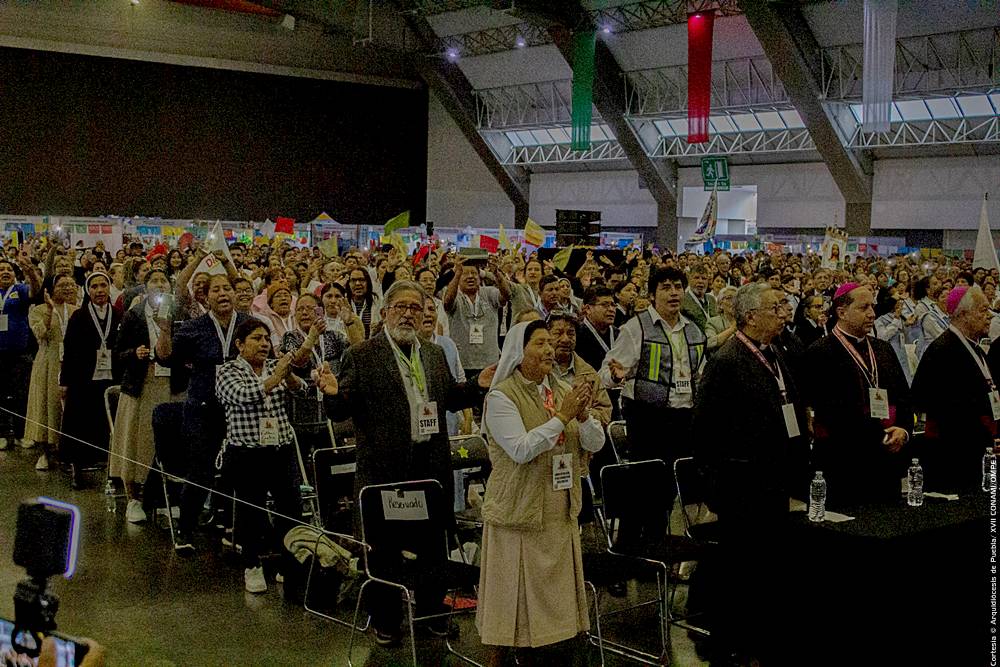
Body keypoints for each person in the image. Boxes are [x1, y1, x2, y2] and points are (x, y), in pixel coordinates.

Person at [318, 280, 494, 645]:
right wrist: (332, 394)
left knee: (433, 549)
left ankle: (431, 612)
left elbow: (448, 398)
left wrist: (477, 385)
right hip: (384, 471)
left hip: (429, 466)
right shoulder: (362, 355)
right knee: (384, 552)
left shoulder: (433, 353)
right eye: (401, 306)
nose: (409, 314)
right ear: (384, 313)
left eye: (416, 307)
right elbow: (342, 408)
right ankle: (385, 620)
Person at [477, 321, 605, 665]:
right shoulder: (501, 396)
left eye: (550, 343)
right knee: (511, 598)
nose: (550, 349)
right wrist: (562, 417)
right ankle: (505, 654)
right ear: (519, 352)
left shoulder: (562, 389)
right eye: (540, 343)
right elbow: (520, 449)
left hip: (559, 506)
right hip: (519, 509)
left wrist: (584, 416)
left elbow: (594, 443)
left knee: (554, 597)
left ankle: (550, 651)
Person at [693, 283, 808, 664]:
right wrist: (718, 484)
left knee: (769, 564)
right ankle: (734, 642)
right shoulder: (727, 361)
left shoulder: (776, 352)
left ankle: (764, 636)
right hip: (741, 483)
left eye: (783, 306)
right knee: (742, 567)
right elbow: (706, 430)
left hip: (774, 478)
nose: (783, 313)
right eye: (775, 308)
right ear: (750, 317)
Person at [154, 274, 253, 553]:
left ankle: (231, 525)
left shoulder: (248, 324)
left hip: (239, 409)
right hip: (202, 409)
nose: (222, 294)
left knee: (240, 469)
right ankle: (185, 530)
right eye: (216, 290)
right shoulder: (194, 327)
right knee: (200, 471)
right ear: (206, 297)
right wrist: (164, 331)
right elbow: (165, 357)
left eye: (227, 288)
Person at [217, 319, 308, 594]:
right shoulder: (227, 371)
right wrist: (276, 377)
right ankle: (252, 564)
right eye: (256, 338)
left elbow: (302, 391)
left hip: (281, 448)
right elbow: (243, 395)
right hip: (246, 453)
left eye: (267, 339)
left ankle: (288, 565)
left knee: (291, 509)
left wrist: (288, 376)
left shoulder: (274, 366)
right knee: (251, 511)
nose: (264, 344)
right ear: (240, 344)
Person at [804, 283, 913, 508]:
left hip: (887, 460)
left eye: (872, 306)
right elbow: (831, 413)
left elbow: (903, 397)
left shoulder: (883, 349)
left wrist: (902, 430)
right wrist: (878, 436)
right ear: (842, 312)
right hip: (845, 463)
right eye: (864, 308)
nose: (872, 313)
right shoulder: (820, 353)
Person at [110, 269, 180, 523]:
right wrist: (133, 353)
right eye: (154, 281)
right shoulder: (134, 314)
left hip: (171, 385)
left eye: (164, 281)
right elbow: (117, 353)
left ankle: (164, 497)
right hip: (142, 384)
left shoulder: (178, 314)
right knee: (136, 442)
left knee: (169, 444)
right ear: (145, 286)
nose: (159, 285)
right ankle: (133, 499)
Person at [914, 286, 996, 492]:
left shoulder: (975, 348)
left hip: (979, 452)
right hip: (953, 457)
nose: (990, 316)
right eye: (983, 310)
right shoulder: (942, 351)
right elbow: (941, 408)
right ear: (963, 314)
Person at [59, 272, 123, 488]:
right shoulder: (79, 316)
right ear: (88, 290)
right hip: (83, 378)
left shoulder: (119, 314)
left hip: (111, 375)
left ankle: (112, 469)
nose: (99, 290)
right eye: (94, 286)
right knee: (79, 423)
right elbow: (69, 350)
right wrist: (65, 381)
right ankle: (77, 467)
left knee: (108, 423)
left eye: (103, 285)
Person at [25, 274, 78, 469]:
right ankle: (45, 452)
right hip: (48, 362)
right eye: (62, 285)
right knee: (46, 405)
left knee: (67, 408)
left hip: (70, 363)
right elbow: (40, 334)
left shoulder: (75, 310)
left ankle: (67, 451)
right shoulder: (38, 310)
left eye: (70, 284)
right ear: (51, 288)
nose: (67, 288)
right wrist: (49, 309)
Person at [0, 251, 41, 449]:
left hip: (20, 351)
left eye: (9, 269)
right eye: (1, 269)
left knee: (22, 393)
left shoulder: (20, 289)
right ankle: (2, 432)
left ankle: (21, 432)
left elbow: (36, 292)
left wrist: (30, 272)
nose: (5, 272)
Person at [444, 256, 510, 378]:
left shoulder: (489, 293)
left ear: (480, 277)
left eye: (474, 273)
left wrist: (496, 273)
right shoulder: (455, 295)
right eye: (465, 273)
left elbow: (507, 295)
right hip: (462, 364)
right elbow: (447, 303)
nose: (470, 276)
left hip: (489, 363)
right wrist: (456, 274)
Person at [547, 313, 612, 425]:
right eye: (558, 333)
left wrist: (583, 413)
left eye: (571, 334)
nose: (565, 339)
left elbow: (605, 413)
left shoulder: (589, 374)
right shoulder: (539, 370)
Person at [574, 286, 618, 373]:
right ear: (588, 309)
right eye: (605, 305)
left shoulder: (619, 334)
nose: (611, 309)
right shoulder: (576, 334)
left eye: (613, 305)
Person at [680, 264, 718, 333]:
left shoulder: (711, 299)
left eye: (704, 278)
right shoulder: (682, 301)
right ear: (689, 279)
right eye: (696, 278)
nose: (700, 281)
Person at [346, 267, 381, 338]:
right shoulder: (343, 302)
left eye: (361, 280)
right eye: (353, 280)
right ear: (348, 283)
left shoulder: (378, 302)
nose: (358, 283)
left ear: (368, 282)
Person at [704, 286, 737, 352]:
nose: (734, 302)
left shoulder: (744, 321)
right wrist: (732, 329)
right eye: (729, 298)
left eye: (736, 298)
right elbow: (709, 343)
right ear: (720, 304)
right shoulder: (713, 322)